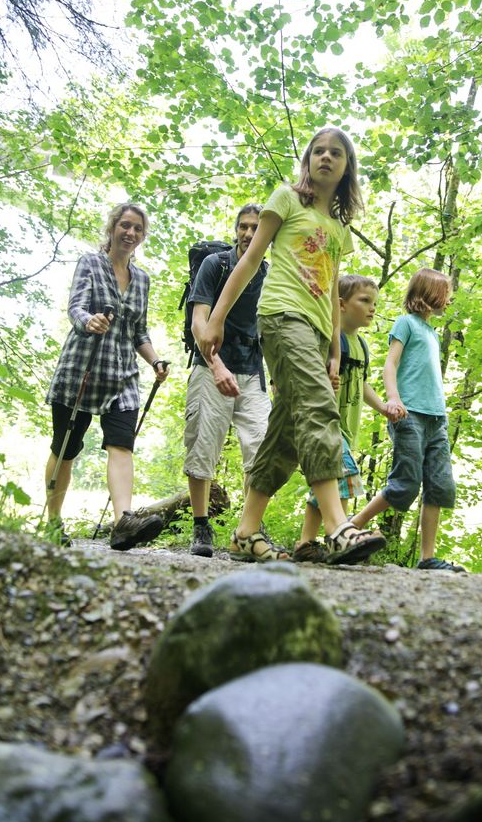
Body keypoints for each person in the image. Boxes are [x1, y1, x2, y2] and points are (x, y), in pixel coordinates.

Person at [200, 126, 386, 565]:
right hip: (282, 316)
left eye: (335, 152)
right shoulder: (285, 198)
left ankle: (246, 532)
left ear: (346, 166)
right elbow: (250, 259)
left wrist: (336, 351)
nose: (325, 157)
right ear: (308, 160)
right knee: (322, 411)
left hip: (319, 332)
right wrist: (215, 319)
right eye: (318, 150)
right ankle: (340, 526)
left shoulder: (340, 227)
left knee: (284, 436)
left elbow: (331, 292)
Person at [44, 203, 169, 550]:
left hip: (122, 374)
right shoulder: (90, 263)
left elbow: (138, 331)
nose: (130, 233)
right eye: (125, 226)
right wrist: (89, 321)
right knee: (66, 448)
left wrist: (155, 360)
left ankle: (123, 523)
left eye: (137, 229)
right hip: (82, 367)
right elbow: (76, 307)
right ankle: (54, 522)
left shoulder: (142, 279)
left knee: (121, 444)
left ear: (143, 236)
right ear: (113, 228)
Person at [351, 267, 466, 572]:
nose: (448, 298)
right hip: (409, 415)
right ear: (429, 295)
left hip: (436, 419)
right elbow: (391, 364)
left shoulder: (431, 332)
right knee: (406, 483)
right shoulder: (406, 324)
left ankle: (427, 558)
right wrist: (393, 398)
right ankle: (352, 527)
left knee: (440, 485)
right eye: (445, 293)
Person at [184, 203, 271, 557]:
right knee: (203, 444)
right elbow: (198, 322)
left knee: (261, 448)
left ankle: (250, 530)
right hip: (211, 365)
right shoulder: (215, 265)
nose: (249, 234)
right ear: (236, 229)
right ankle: (201, 528)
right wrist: (216, 365)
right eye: (244, 226)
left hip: (253, 369)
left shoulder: (270, 273)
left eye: (256, 228)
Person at [293, 273, 398, 562]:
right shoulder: (330, 336)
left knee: (328, 484)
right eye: (364, 301)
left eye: (374, 302)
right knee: (344, 480)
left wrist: (383, 407)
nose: (372, 308)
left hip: (347, 428)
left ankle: (306, 544)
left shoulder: (361, 345)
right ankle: (339, 536)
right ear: (340, 304)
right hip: (326, 423)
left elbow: (362, 384)